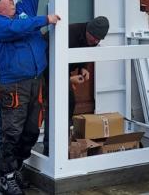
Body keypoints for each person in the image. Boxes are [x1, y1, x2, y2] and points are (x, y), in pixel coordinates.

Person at [0, 0, 61, 195]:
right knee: (12, 133)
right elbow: (18, 29)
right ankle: (7, 178)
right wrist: (44, 20)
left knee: (31, 132)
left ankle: (15, 169)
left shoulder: (23, 11)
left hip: (35, 82)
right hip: (14, 87)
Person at [41, 16, 110, 155]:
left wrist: (83, 67)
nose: (95, 42)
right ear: (88, 30)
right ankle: (49, 149)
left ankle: (63, 144)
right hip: (44, 69)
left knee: (69, 103)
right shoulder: (68, 35)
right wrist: (69, 79)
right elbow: (50, 62)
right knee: (54, 107)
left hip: (61, 71)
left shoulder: (91, 38)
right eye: (94, 38)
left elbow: (85, 52)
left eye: (99, 40)